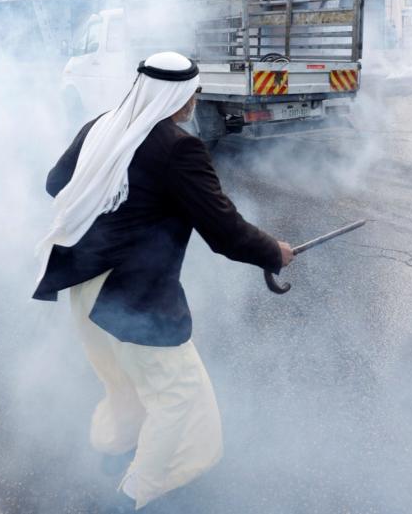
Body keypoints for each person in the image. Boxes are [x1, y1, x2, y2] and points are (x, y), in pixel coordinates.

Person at [34, 51, 294, 512]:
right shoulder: (178, 148)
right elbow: (224, 229)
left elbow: (57, 183)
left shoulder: (101, 126)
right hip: (132, 298)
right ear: (183, 97)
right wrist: (274, 252)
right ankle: (139, 492)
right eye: (192, 94)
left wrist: (112, 208)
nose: (194, 103)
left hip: (85, 287)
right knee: (178, 398)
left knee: (124, 384)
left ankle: (113, 451)